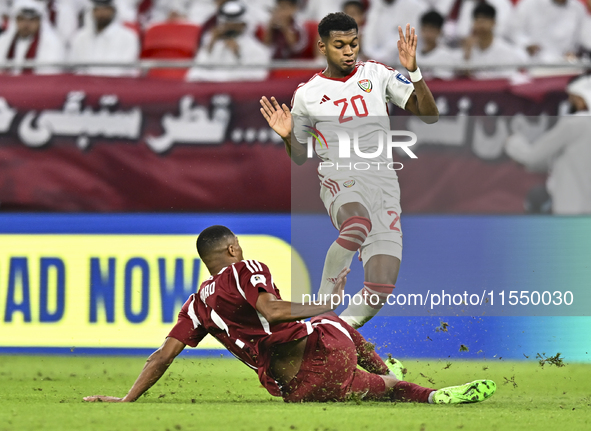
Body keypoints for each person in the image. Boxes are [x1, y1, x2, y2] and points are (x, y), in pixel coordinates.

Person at [83, 225, 496, 404]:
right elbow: (273, 310)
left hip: (297, 390)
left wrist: (126, 399)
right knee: (333, 321)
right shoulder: (245, 268)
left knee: (380, 389)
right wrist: (325, 302)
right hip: (319, 354)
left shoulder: (195, 304)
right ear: (231, 249)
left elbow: (162, 356)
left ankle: (413, 386)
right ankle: (401, 375)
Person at [260, 13, 439, 329]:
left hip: (384, 186)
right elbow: (300, 156)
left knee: (380, 288)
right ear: (322, 47)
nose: (348, 51)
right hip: (340, 177)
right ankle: (323, 303)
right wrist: (289, 136)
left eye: (353, 43)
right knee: (356, 223)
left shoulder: (377, 74)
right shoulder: (308, 94)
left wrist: (413, 70)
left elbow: (429, 115)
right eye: (339, 45)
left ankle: (327, 334)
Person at [505, 74, 591, 215]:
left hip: (571, 211)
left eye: (573, 97)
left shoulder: (573, 124)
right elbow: (560, 162)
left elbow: (532, 156)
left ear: (582, 99)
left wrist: (513, 142)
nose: (569, 101)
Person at [186, 0, 271, 81]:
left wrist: (238, 54)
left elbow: (257, 77)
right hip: (211, 93)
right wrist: (210, 48)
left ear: (244, 25)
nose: (229, 26)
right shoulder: (212, 45)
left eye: (234, 24)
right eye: (226, 23)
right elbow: (194, 74)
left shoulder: (257, 50)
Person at [68, 0, 139, 76]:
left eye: (106, 9)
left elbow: (125, 69)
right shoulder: (80, 38)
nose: (101, 13)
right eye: (97, 10)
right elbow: (74, 67)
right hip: (85, 83)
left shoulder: (128, 37)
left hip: (117, 84)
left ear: (113, 11)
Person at [461, 2, 528, 80]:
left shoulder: (506, 51)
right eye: (477, 22)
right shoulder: (469, 49)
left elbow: (506, 80)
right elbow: (466, 79)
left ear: (493, 23)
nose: (479, 26)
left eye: (483, 22)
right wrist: (467, 55)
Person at [0, 0, 66, 74]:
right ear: (15, 20)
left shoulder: (52, 44)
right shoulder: (3, 42)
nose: (26, 24)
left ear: (40, 22)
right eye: (22, 19)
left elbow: (50, 76)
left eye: (32, 20)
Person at [509, 0, 587, 62]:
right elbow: (514, 31)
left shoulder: (578, 8)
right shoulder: (529, 3)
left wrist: (575, 53)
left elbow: (581, 39)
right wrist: (527, 44)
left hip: (565, 64)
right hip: (532, 62)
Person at [362, 0, 428, 64]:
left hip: (405, 64)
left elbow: (406, 37)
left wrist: (377, 57)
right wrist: (369, 54)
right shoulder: (376, 4)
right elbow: (369, 33)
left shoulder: (414, 6)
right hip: (376, 61)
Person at [416, 10, 459, 80]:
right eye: (425, 29)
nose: (427, 34)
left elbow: (444, 82)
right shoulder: (413, 55)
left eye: (431, 30)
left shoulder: (445, 57)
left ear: (439, 31)